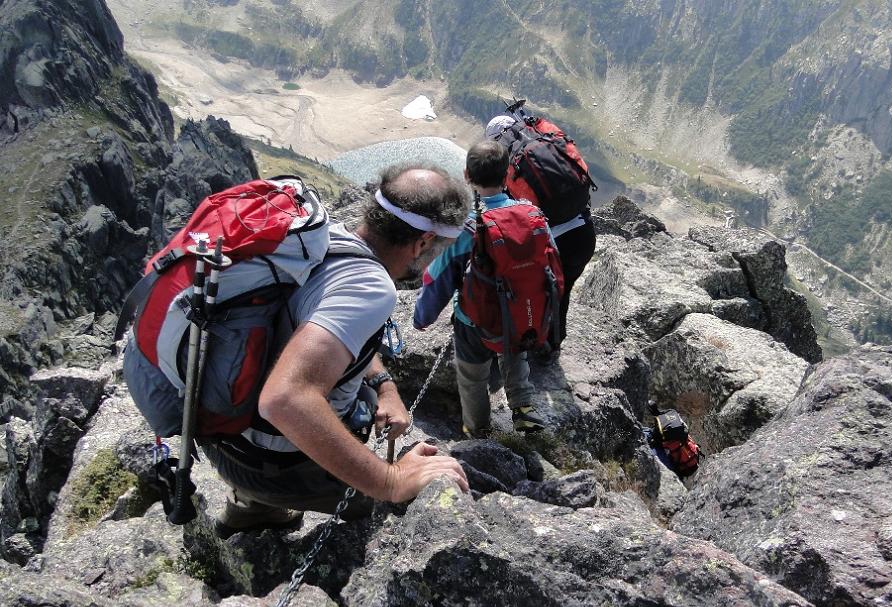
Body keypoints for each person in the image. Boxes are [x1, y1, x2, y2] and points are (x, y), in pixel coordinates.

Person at [203, 164, 471, 535]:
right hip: (274, 464)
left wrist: (384, 386)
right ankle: (268, 502)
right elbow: (285, 398)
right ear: (423, 242)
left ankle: (250, 509)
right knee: (406, 498)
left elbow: (325, 336)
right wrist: (391, 480)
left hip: (223, 438)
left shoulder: (324, 240)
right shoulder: (370, 288)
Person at [413, 140, 548, 439]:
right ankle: (523, 405)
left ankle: (478, 431)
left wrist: (421, 318)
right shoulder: (530, 215)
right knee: (515, 352)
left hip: (474, 324)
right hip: (521, 315)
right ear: (507, 174)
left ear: (467, 175)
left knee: (473, 378)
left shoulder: (469, 229)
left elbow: (438, 279)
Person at [485, 112, 597, 360]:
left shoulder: (510, 164)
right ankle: (552, 344)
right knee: (563, 289)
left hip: (554, 244)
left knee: (534, 291)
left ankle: (532, 345)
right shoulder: (547, 141)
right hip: (584, 234)